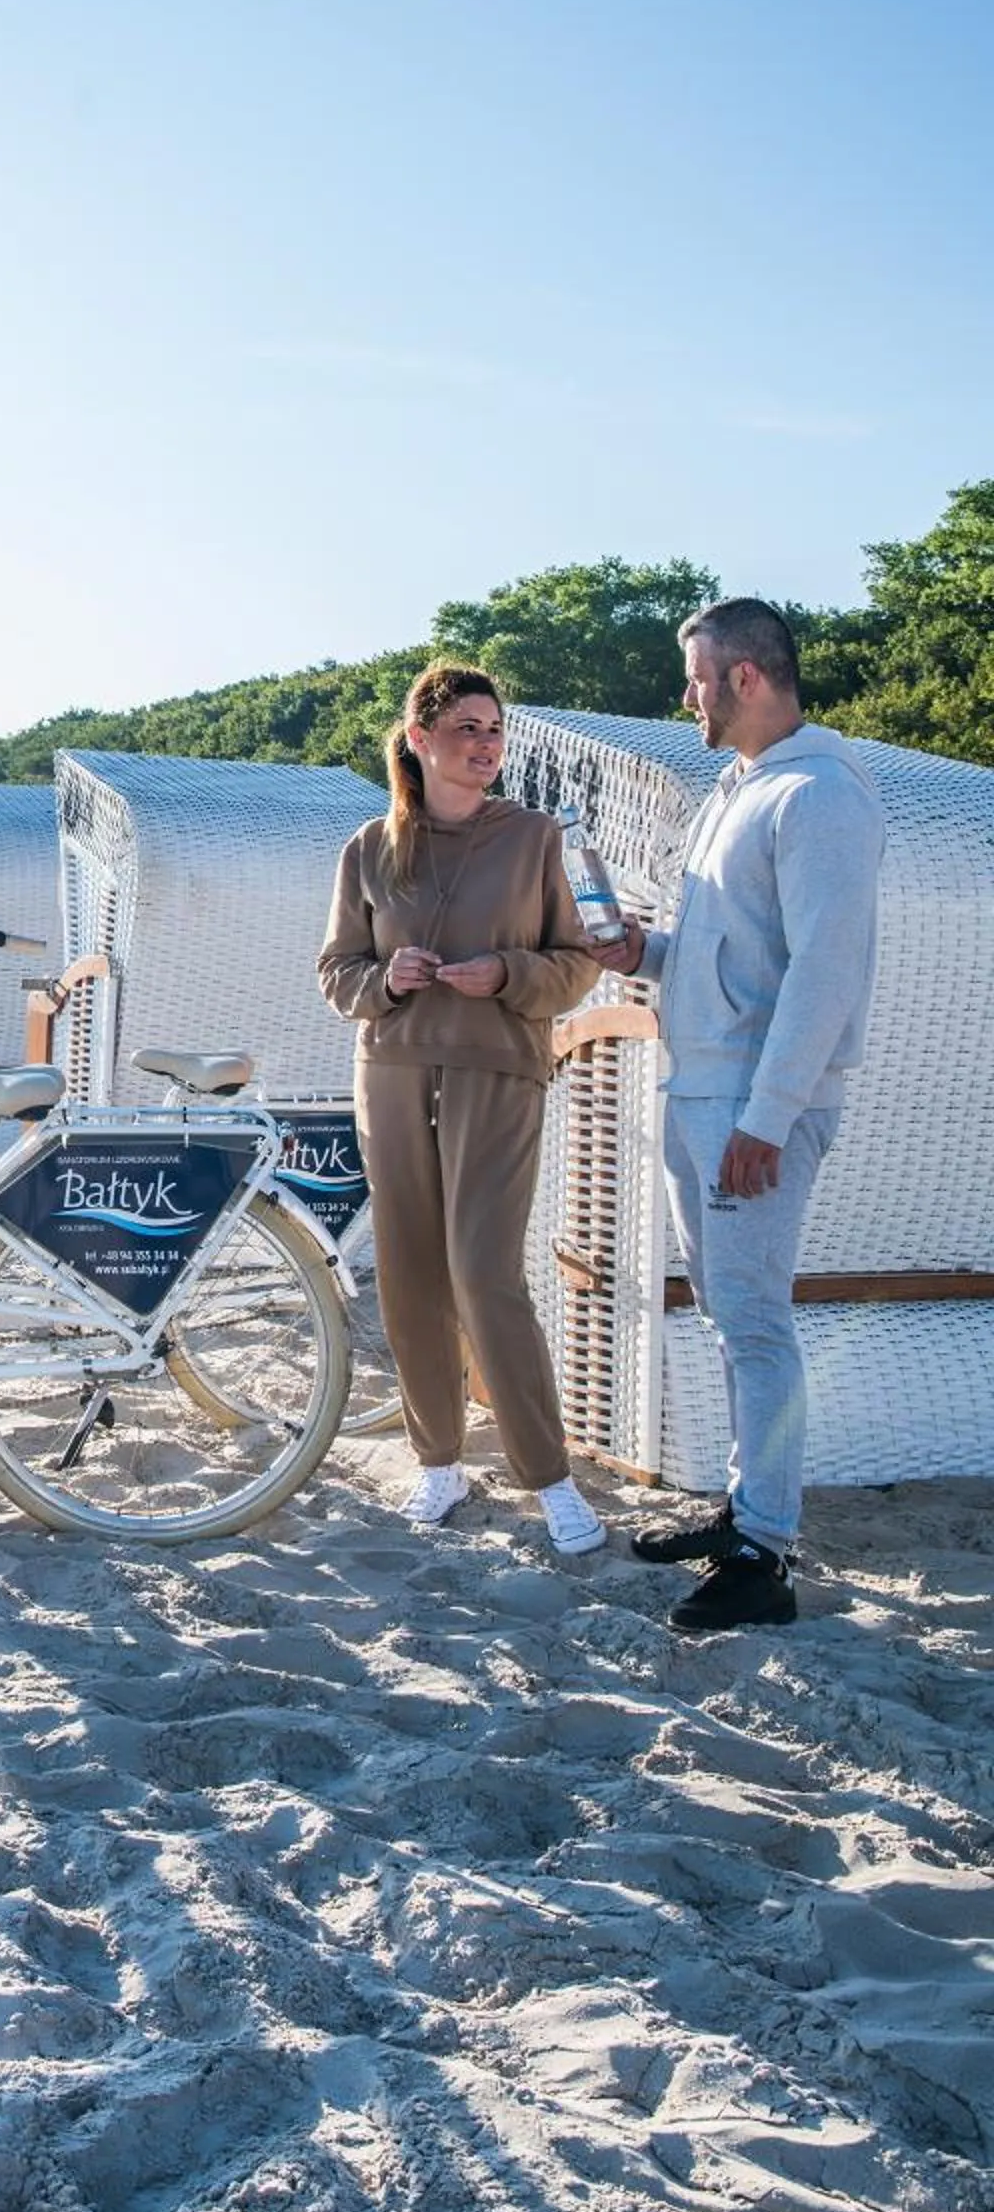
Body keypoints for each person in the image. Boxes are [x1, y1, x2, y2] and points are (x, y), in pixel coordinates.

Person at [588, 598, 885, 1634]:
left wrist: (767, 1116)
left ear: (746, 677)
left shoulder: (821, 798)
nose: (687, 698)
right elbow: (736, 954)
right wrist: (647, 953)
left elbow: (822, 977)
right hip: (700, 1088)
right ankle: (742, 1513)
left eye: (696, 677)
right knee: (728, 1315)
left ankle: (765, 1557)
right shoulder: (734, 791)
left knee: (756, 1322)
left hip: (754, 1108)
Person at [318, 662, 607, 1552]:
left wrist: (509, 974)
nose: (485, 745)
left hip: (499, 1067)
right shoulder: (370, 846)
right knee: (408, 1276)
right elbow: (337, 974)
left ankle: (548, 1478)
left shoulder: (536, 840)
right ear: (420, 740)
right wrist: (385, 980)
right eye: (467, 729)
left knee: (484, 1273)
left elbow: (580, 959)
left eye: (493, 730)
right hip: (393, 1068)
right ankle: (438, 1465)